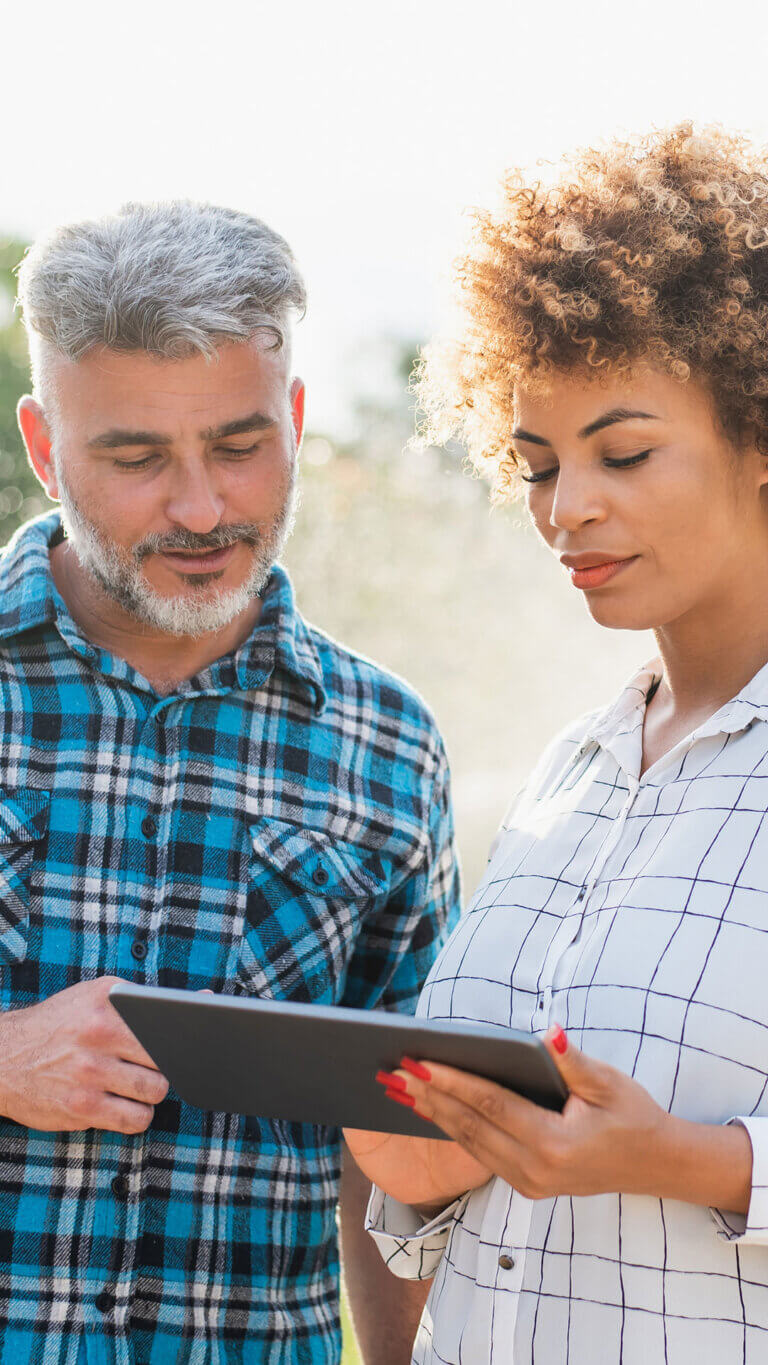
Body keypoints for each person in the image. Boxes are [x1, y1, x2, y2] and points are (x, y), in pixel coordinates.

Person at [0, 201, 460, 1364]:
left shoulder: (388, 747)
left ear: (296, 421)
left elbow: (393, 1149)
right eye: (137, 457)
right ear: (46, 448)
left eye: (241, 446)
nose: (203, 509)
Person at [344, 123, 768, 1362]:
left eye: (624, 452)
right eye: (536, 464)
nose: (566, 508)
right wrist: (422, 1159)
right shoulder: (568, 771)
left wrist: (679, 1160)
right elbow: (471, 1216)